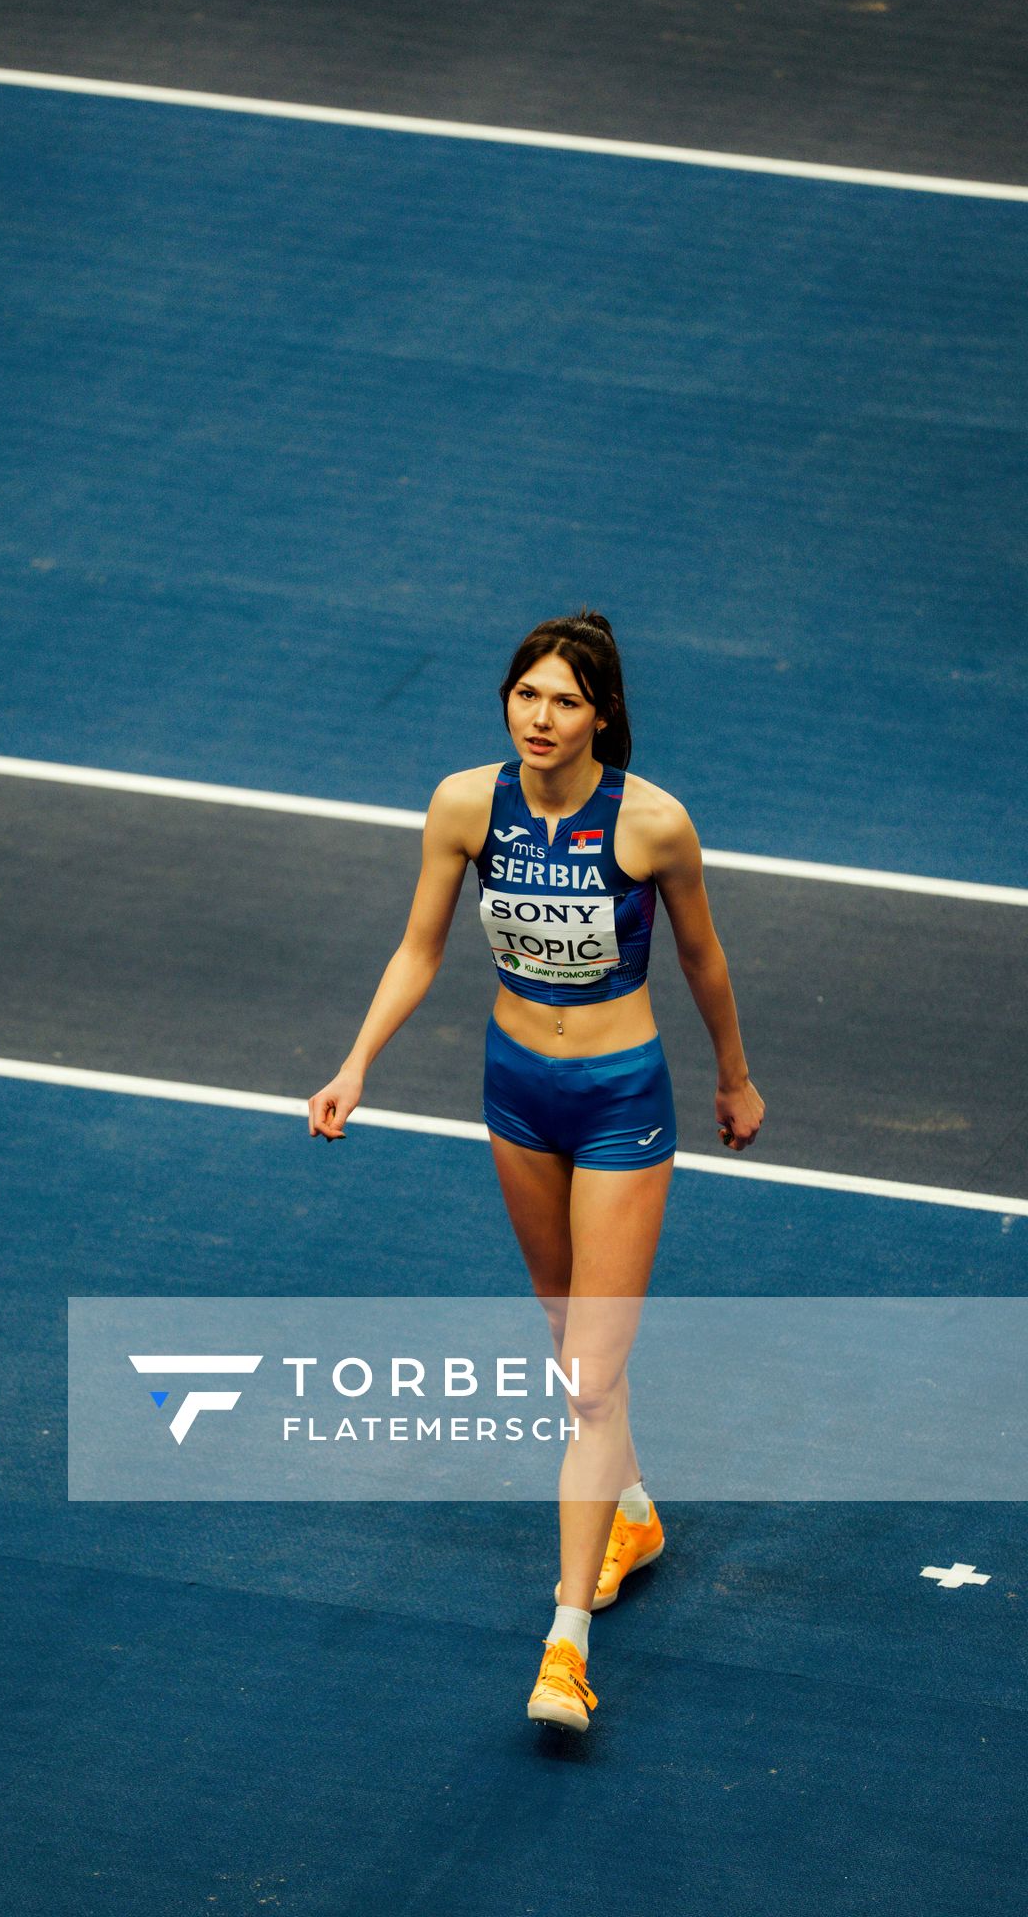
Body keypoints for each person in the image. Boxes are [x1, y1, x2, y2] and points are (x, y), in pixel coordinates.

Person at [307, 610, 765, 1733]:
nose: (541, 718)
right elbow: (418, 947)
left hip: (617, 1104)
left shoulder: (652, 825)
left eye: (564, 700)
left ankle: (564, 1646)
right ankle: (634, 1509)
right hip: (514, 1093)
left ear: (600, 713)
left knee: (590, 1379)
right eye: (526, 696)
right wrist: (355, 1063)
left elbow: (701, 957)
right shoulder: (467, 806)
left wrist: (734, 1080)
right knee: (569, 1348)